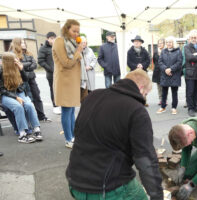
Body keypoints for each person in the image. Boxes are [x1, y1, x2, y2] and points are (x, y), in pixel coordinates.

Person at [66, 69, 163, 200]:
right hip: (106, 189)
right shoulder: (137, 111)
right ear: (140, 88)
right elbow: (145, 161)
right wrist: (157, 196)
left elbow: (79, 131)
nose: (144, 98)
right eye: (145, 94)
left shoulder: (92, 96)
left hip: (75, 180)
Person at [52, 19, 84, 148]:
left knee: (71, 110)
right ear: (66, 29)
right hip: (64, 81)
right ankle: (68, 138)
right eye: (74, 31)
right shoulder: (59, 41)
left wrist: (78, 50)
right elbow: (66, 63)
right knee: (66, 110)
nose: (76, 34)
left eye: (78, 31)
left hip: (72, 81)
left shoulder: (71, 42)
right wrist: (78, 52)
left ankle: (72, 136)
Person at [0, 52, 42, 143]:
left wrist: (22, 69)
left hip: (19, 92)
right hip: (6, 95)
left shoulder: (17, 68)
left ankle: (36, 130)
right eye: (15, 59)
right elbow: (2, 90)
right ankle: (22, 135)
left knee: (29, 105)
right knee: (18, 106)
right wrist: (16, 98)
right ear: (9, 62)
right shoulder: (1, 70)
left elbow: (25, 80)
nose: (17, 60)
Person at [9, 38, 51, 122]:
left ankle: (41, 116)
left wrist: (24, 65)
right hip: (21, 81)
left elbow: (34, 65)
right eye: (22, 43)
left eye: (24, 42)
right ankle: (27, 119)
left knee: (37, 97)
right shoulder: (12, 54)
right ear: (17, 44)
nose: (24, 44)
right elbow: (16, 66)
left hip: (31, 79)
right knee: (25, 99)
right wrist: (28, 64)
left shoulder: (28, 53)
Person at [156, 36, 182, 115]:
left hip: (174, 74)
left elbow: (179, 62)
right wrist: (166, 69)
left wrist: (170, 69)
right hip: (165, 74)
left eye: (170, 42)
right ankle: (162, 107)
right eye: (167, 42)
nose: (168, 44)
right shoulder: (163, 51)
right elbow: (160, 62)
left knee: (174, 92)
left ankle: (174, 108)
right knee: (164, 92)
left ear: (173, 43)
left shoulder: (178, 51)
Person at [38, 31, 61, 115]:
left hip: (60, 73)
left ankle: (61, 104)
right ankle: (55, 106)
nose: (53, 40)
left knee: (60, 89)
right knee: (53, 89)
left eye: (54, 38)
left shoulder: (58, 47)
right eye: (51, 38)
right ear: (47, 39)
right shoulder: (43, 48)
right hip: (51, 74)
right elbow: (40, 61)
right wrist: (50, 69)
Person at [152, 38, 165, 105]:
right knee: (159, 86)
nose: (160, 44)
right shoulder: (156, 52)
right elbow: (154, 61)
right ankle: (160, 99)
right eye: (159, 43)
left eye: (161, 43)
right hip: (157, 71)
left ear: (164, 44)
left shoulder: (165, 51)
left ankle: (164, 99)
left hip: (164, 71)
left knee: (164, 86)